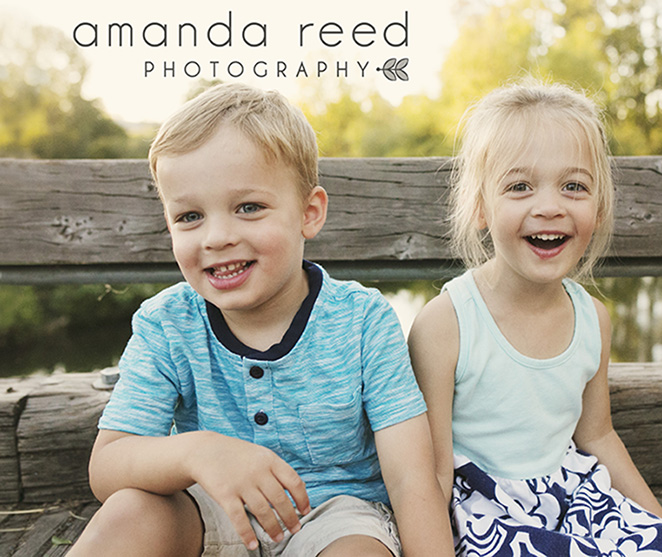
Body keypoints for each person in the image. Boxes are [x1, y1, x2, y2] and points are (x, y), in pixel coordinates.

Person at [69, 83, 454, 557]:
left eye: (248, 208)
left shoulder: (362, 321)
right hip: (209, 512)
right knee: (129, 514)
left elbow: (411, 477)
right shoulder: (166, 322)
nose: (217, 237)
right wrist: (200, 451)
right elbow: (107, 466)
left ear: (309, 214)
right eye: (189, 216)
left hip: (334, 515)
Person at [408, 79, 662, 556]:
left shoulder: (593, 317)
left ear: (598, 205)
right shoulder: (447, 323)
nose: (549, 207)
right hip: (490, 515)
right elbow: (433, 470)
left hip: (577, 498)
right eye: (520, 187)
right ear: (480, 207)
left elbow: (597, 434)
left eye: (574, 186)